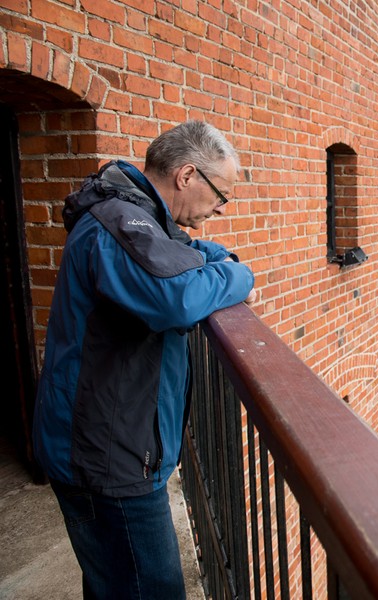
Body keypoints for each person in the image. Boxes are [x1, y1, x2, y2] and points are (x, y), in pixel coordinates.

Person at [33, 121, 257, 600]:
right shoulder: (120, 223)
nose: (221, 207)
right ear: (187, 175)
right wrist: (241, 276)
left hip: (110, 446)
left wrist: (221, 261)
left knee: (114, 584)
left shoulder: (142, 217)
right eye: (221, 194)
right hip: (108, 460)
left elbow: (190, 252)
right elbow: (175, 299)